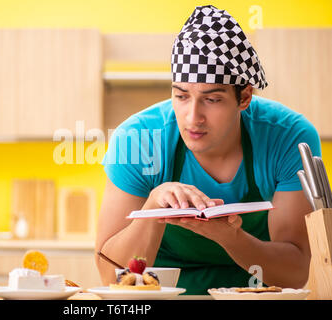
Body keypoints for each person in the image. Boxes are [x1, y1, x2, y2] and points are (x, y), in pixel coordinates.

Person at [94, 5, 321, 295]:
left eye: (211, 99)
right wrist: (151, 208)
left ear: (245, 96)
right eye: (181, 96)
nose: (192, 117)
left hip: (253, 292)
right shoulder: (136, 139)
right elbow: (108, 275)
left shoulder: (288, 136)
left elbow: (295, 273)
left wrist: (231, 238)